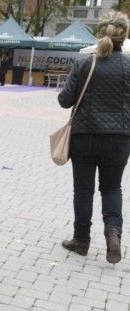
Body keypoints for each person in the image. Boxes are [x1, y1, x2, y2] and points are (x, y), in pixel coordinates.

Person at [58, 11, 130, 264]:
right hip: (120, 139)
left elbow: (64, 100)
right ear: (125, 34)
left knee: (84, 190)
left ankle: (81, 240)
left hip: (85, 136)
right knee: (112, 187)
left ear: (101, 33)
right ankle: (113, 236)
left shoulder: (85, 63)